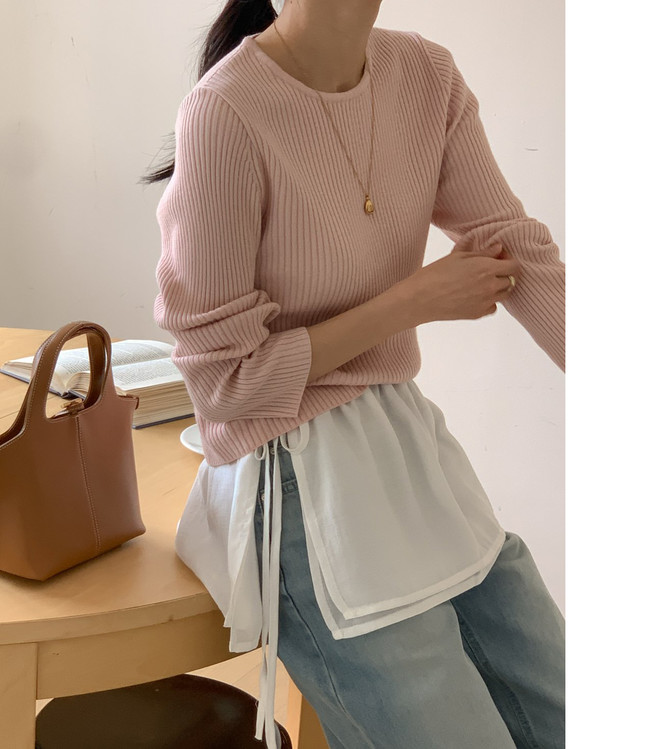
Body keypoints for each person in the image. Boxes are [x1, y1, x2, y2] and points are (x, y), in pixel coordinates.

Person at [144, 1, 565, 747]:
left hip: (405, 449)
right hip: (293, 480)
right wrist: (411, 302)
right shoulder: (225, 112)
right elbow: (224, 387)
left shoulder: (425, 75)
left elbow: (510, 244)